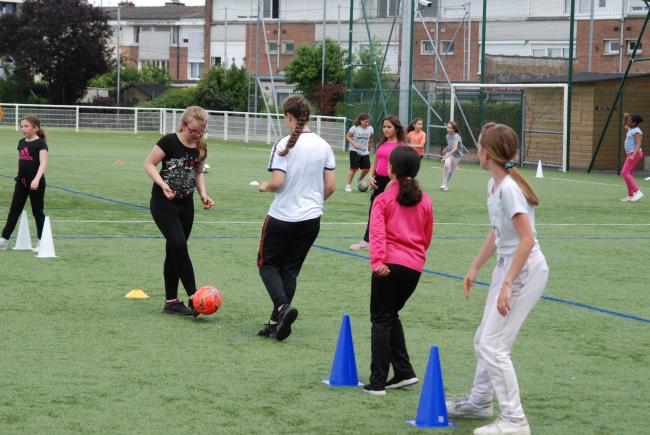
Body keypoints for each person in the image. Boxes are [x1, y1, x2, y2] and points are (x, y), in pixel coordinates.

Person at [446, 123, 549, 435]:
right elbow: (497, 232)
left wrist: (507, 284)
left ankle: (515, 420)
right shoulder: (494, 186)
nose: (476, 150)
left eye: (478, 145)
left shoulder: (509, 190)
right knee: (484, 340)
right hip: (508, 266)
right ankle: (480, 401)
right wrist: (475, 267)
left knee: (494, 346)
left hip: (524, 270)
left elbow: (526, 241)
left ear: (486, 153)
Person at [257, 96, 336, 341]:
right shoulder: (324, 145)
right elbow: (331, 187)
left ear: (289, 116)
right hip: (311, 219)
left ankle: (281, 308)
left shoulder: (283, 145)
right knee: (289, 270)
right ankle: (275, 323)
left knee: (267, 265)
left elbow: (278, 183)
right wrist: (312, 202)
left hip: (282, 216)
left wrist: (264, 186)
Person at [363, 146, 434, 396]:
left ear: (391, 169)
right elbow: (426, 236)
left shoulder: (383, 199)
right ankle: (404, 372)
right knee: (390, 315)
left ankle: (378, 381)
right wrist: (416, 258)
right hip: (413, 268)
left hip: (388, 266)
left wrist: (377, 262)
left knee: (380, 319)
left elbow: (377, 233)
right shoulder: (424, 199)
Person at [144, 106, 214, 316]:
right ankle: (195, 297)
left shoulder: (201, 146)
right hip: (163, 203)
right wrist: (163, 185)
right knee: (179, 245)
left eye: (201, 131)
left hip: (186, 204)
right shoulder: (169, 141)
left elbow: (198, 173)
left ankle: (171, 302)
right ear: (184, 126)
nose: (197, 135)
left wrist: (203, 193)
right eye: (194, 131)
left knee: (174, 250)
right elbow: (149, 164)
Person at [349, 116, 406, 251]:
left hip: (393, 182)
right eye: (384, 126)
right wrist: (369, 176)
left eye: (389, 127)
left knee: (393, 212)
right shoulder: (382, 143)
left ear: (396, 128)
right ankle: (368, 241)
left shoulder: (401, 146)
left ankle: (394, 241)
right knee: (374, 211)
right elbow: (375, 162)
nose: (385, 129)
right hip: (377, 180)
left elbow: (403, 167)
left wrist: (392, 181)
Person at [0, 116, 49, 252]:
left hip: (36, 183)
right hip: (21, 183)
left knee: (37, 212)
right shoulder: (21, 142)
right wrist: (18, 176)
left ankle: (42, 241)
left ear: (35, 128)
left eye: (26, 126)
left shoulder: (41, 143)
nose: (23, 129)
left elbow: (43, 163)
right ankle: (3, 240)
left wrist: (36, 179)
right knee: (14, 211)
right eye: (22, 126)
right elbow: (20, 161)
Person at [345, 113, 374, 192]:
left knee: (367, 168)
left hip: (365, 151)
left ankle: (359, 179)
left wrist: (369, 145)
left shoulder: (370, 128)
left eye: (369, 122)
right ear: (361, 121)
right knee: (354, 169)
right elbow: (348, 136)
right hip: (354, 150)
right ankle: (348, 185)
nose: (367, 124)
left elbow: (371, 137)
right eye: (366, 122)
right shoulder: (354, 128)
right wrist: (354, 144)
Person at [620, 114, 644, 202]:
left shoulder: (637, 131)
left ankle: (637, 192)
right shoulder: (631, 128)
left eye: (630, 121)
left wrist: (633, 155)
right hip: (630, 154)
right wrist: (625, 117)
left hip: (635, 154)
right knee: (627, 173)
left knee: (624, 173)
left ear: (634, 123)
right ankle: (631, 195)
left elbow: (638, 144)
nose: (628, 122)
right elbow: (624, 124)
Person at [440, 121, 465, 191]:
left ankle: (446, 184)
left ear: (454, 129)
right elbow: (450, 144)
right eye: (448, 127)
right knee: (447, 165)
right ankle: (444, 183)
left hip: (457, 156)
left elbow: (454, 149)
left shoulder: (456, 136)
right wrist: (445, 149)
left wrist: (445, 157)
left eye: (450, 128)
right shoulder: (447, 136)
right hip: (449, 153)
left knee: (450, 171)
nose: (448, 129)